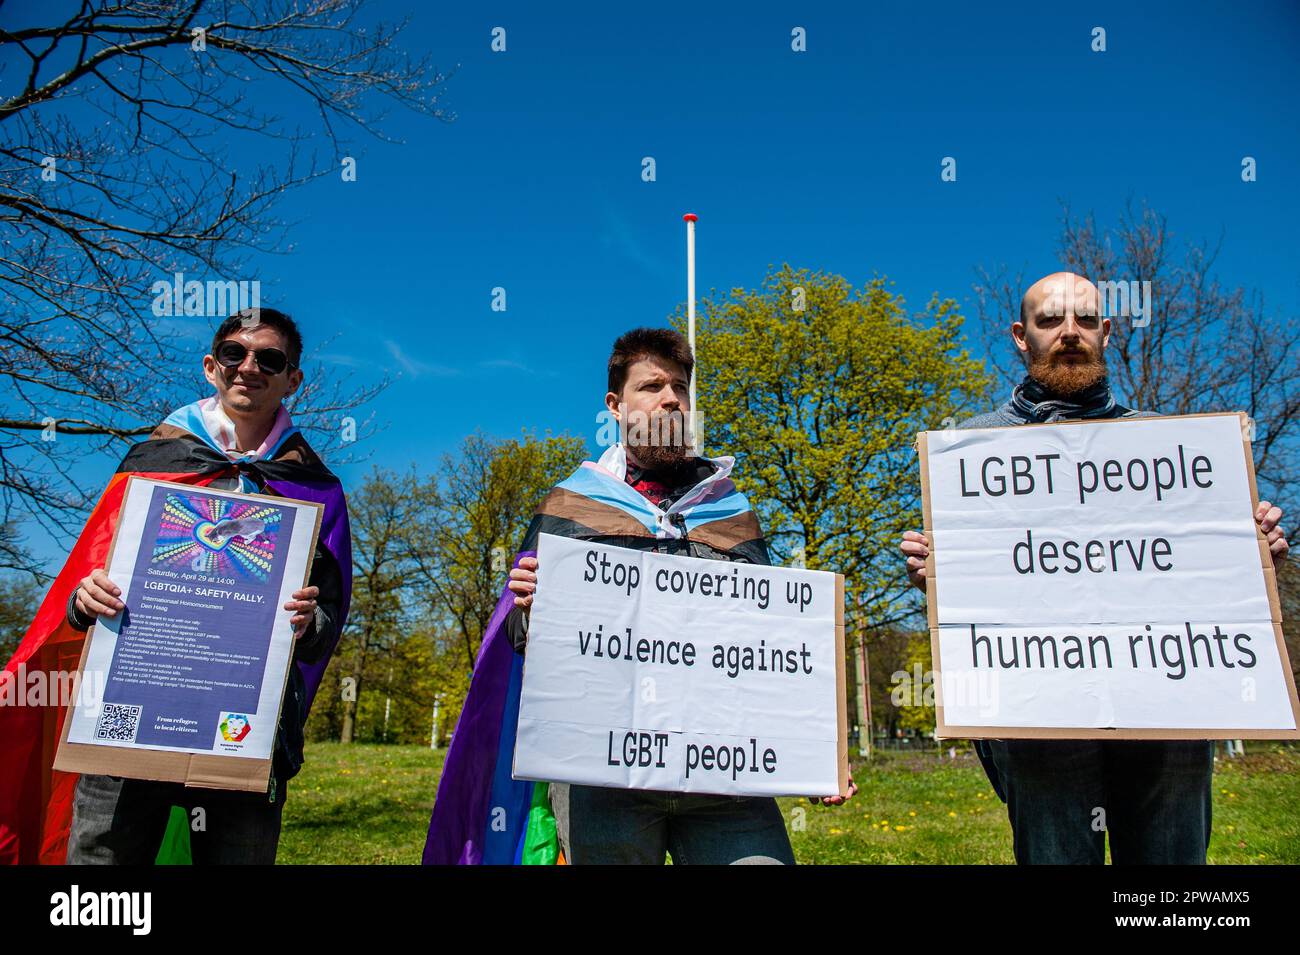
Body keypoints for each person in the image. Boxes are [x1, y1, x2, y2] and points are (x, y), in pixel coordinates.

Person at [424, 327, 854, 865]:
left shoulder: (733, 512)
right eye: (651, 386)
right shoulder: (569, 505)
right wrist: (531, 612)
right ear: (616, 405)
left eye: (679, 386)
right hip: (603, 776)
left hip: (726, 777)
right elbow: (518, 636)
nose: (671, 398)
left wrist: (815, 751)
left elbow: (775, 647)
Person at [899, 271, 1289, 864]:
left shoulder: (1170, 449)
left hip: (1169, 715)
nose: (1069, 333)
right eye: (1050, 321)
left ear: (1107, 331)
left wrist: (1249, 552)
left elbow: (1201, 574)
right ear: (1020, 336)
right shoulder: (972, 456)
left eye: (1084, 319)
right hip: (1039, 716)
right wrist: (939, 576)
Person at [0, 307, 352, 865]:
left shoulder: (316, 490)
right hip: (126, 721)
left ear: (293, 379)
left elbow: (329, 622)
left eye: (270, 358)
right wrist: (82, 600)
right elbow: (81, 588)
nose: (249, 368)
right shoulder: (150, 465)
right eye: (235, 354)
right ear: (212, 366)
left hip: (243, 732)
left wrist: (310, 624)